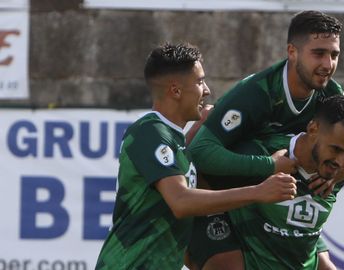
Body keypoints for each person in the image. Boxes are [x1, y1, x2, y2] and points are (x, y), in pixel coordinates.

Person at [187, 11, 344, 269]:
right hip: (219, 189)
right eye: (318, 53)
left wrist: (342, 169)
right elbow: (200, 151)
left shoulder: (330, 93)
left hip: (278, 204)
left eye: (334, 55)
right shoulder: (257, 93)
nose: (328, 64)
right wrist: (269, 166)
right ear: (292, 51)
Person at [94, 43, 298, 270]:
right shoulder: (149, 131)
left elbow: (202, 195)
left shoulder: (176, 142)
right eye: (200, 81)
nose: (207, 90)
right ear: (176, 90)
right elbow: (181, 202)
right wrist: (259, 192)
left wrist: (270, 165)